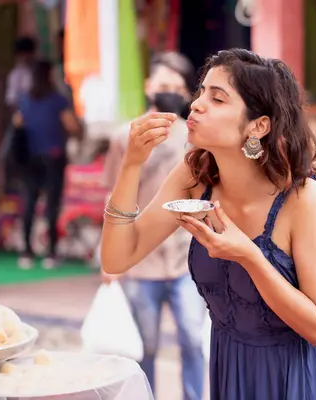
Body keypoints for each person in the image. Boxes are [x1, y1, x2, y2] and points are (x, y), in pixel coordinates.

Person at [100, 49, 316, 399]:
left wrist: (249, 256)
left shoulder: (304, 199)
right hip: (231, 367)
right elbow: (116, 258)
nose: (198, 104)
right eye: (201, 92)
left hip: (298, 376)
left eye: (217, 98)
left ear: (258, 125)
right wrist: (131, 165)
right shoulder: (194, 176)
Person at [100, 51, 204, 400]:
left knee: (193, 338)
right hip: (140, 261)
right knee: (145, 344)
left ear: (189, 95)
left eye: (177, 87)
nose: (170, 92)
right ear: (148, 87)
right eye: (163, 85)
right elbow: (113, 193)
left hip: (185, 259)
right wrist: (110, 261)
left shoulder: (196, 140)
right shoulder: (124, 137)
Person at [13, 59, 82, 270]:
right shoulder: (58, 101)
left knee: (30, 202)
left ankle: (26, 251)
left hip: (31, 158)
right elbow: (71, 125)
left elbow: (17, 123)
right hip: (53, 156)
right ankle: (51, 252)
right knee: (52, 203)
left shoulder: (25, 100)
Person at [6, 36, 37, 109]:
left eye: (28, 54)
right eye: (22, 55)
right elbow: (11, 100)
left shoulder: (40, 71)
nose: (25, 58)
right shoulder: (15, 75)